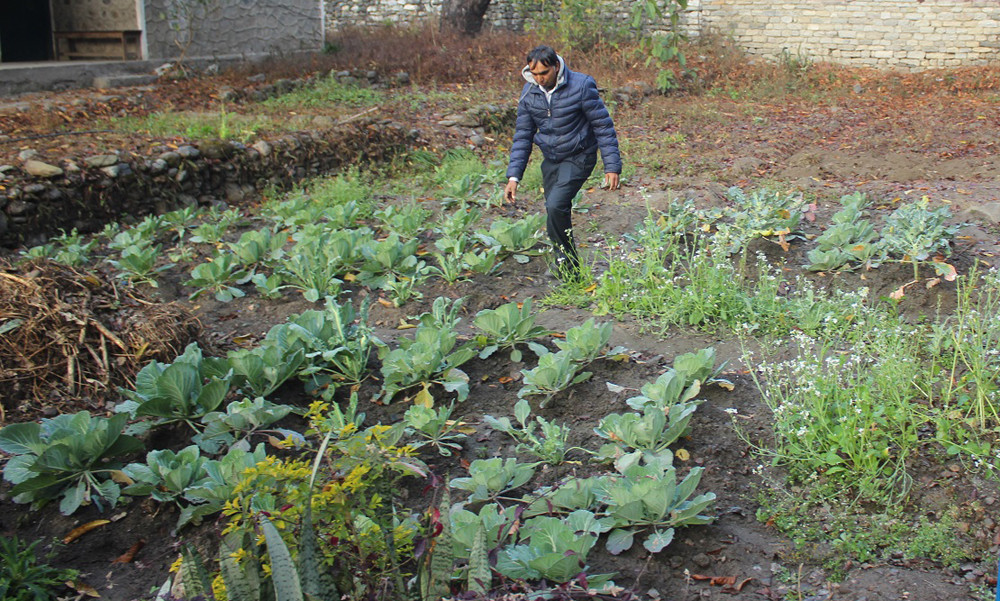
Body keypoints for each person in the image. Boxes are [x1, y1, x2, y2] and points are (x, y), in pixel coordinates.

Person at [504, 45, 622, 278]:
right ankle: (566, 264)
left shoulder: (581, 85)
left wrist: (611, 166)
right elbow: (523, 136)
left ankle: (568, 268)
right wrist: (513, 177)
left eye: (544, 73)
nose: (539, 78)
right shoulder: (529, 93)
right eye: (534, 74)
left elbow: (602, 125)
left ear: (556, 67)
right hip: (552, 159)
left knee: (555, 205)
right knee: (555, 212)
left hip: (580, 155)